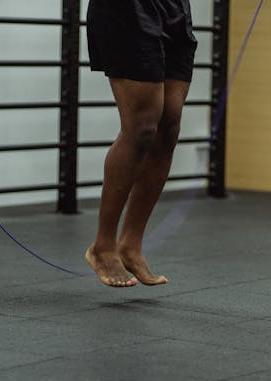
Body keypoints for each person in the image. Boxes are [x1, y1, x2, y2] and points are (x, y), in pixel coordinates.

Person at [85, 0, 198, 287]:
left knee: (168, 127)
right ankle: (103, 246)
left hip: (174, 6)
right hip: (128, 8)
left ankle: (130, 245)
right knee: (141, 126)